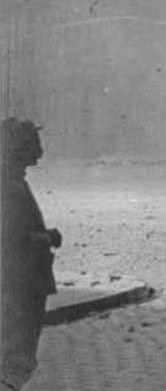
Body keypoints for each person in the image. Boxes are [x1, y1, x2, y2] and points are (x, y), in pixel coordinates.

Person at [2, 119, 57, 391]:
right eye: (33, 145)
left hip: (20, 283)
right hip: (20, 284)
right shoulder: (9, 187)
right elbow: (12, 238)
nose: (39, 152)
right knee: (17, 357)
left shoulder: (12, 182)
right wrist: (47, 237)